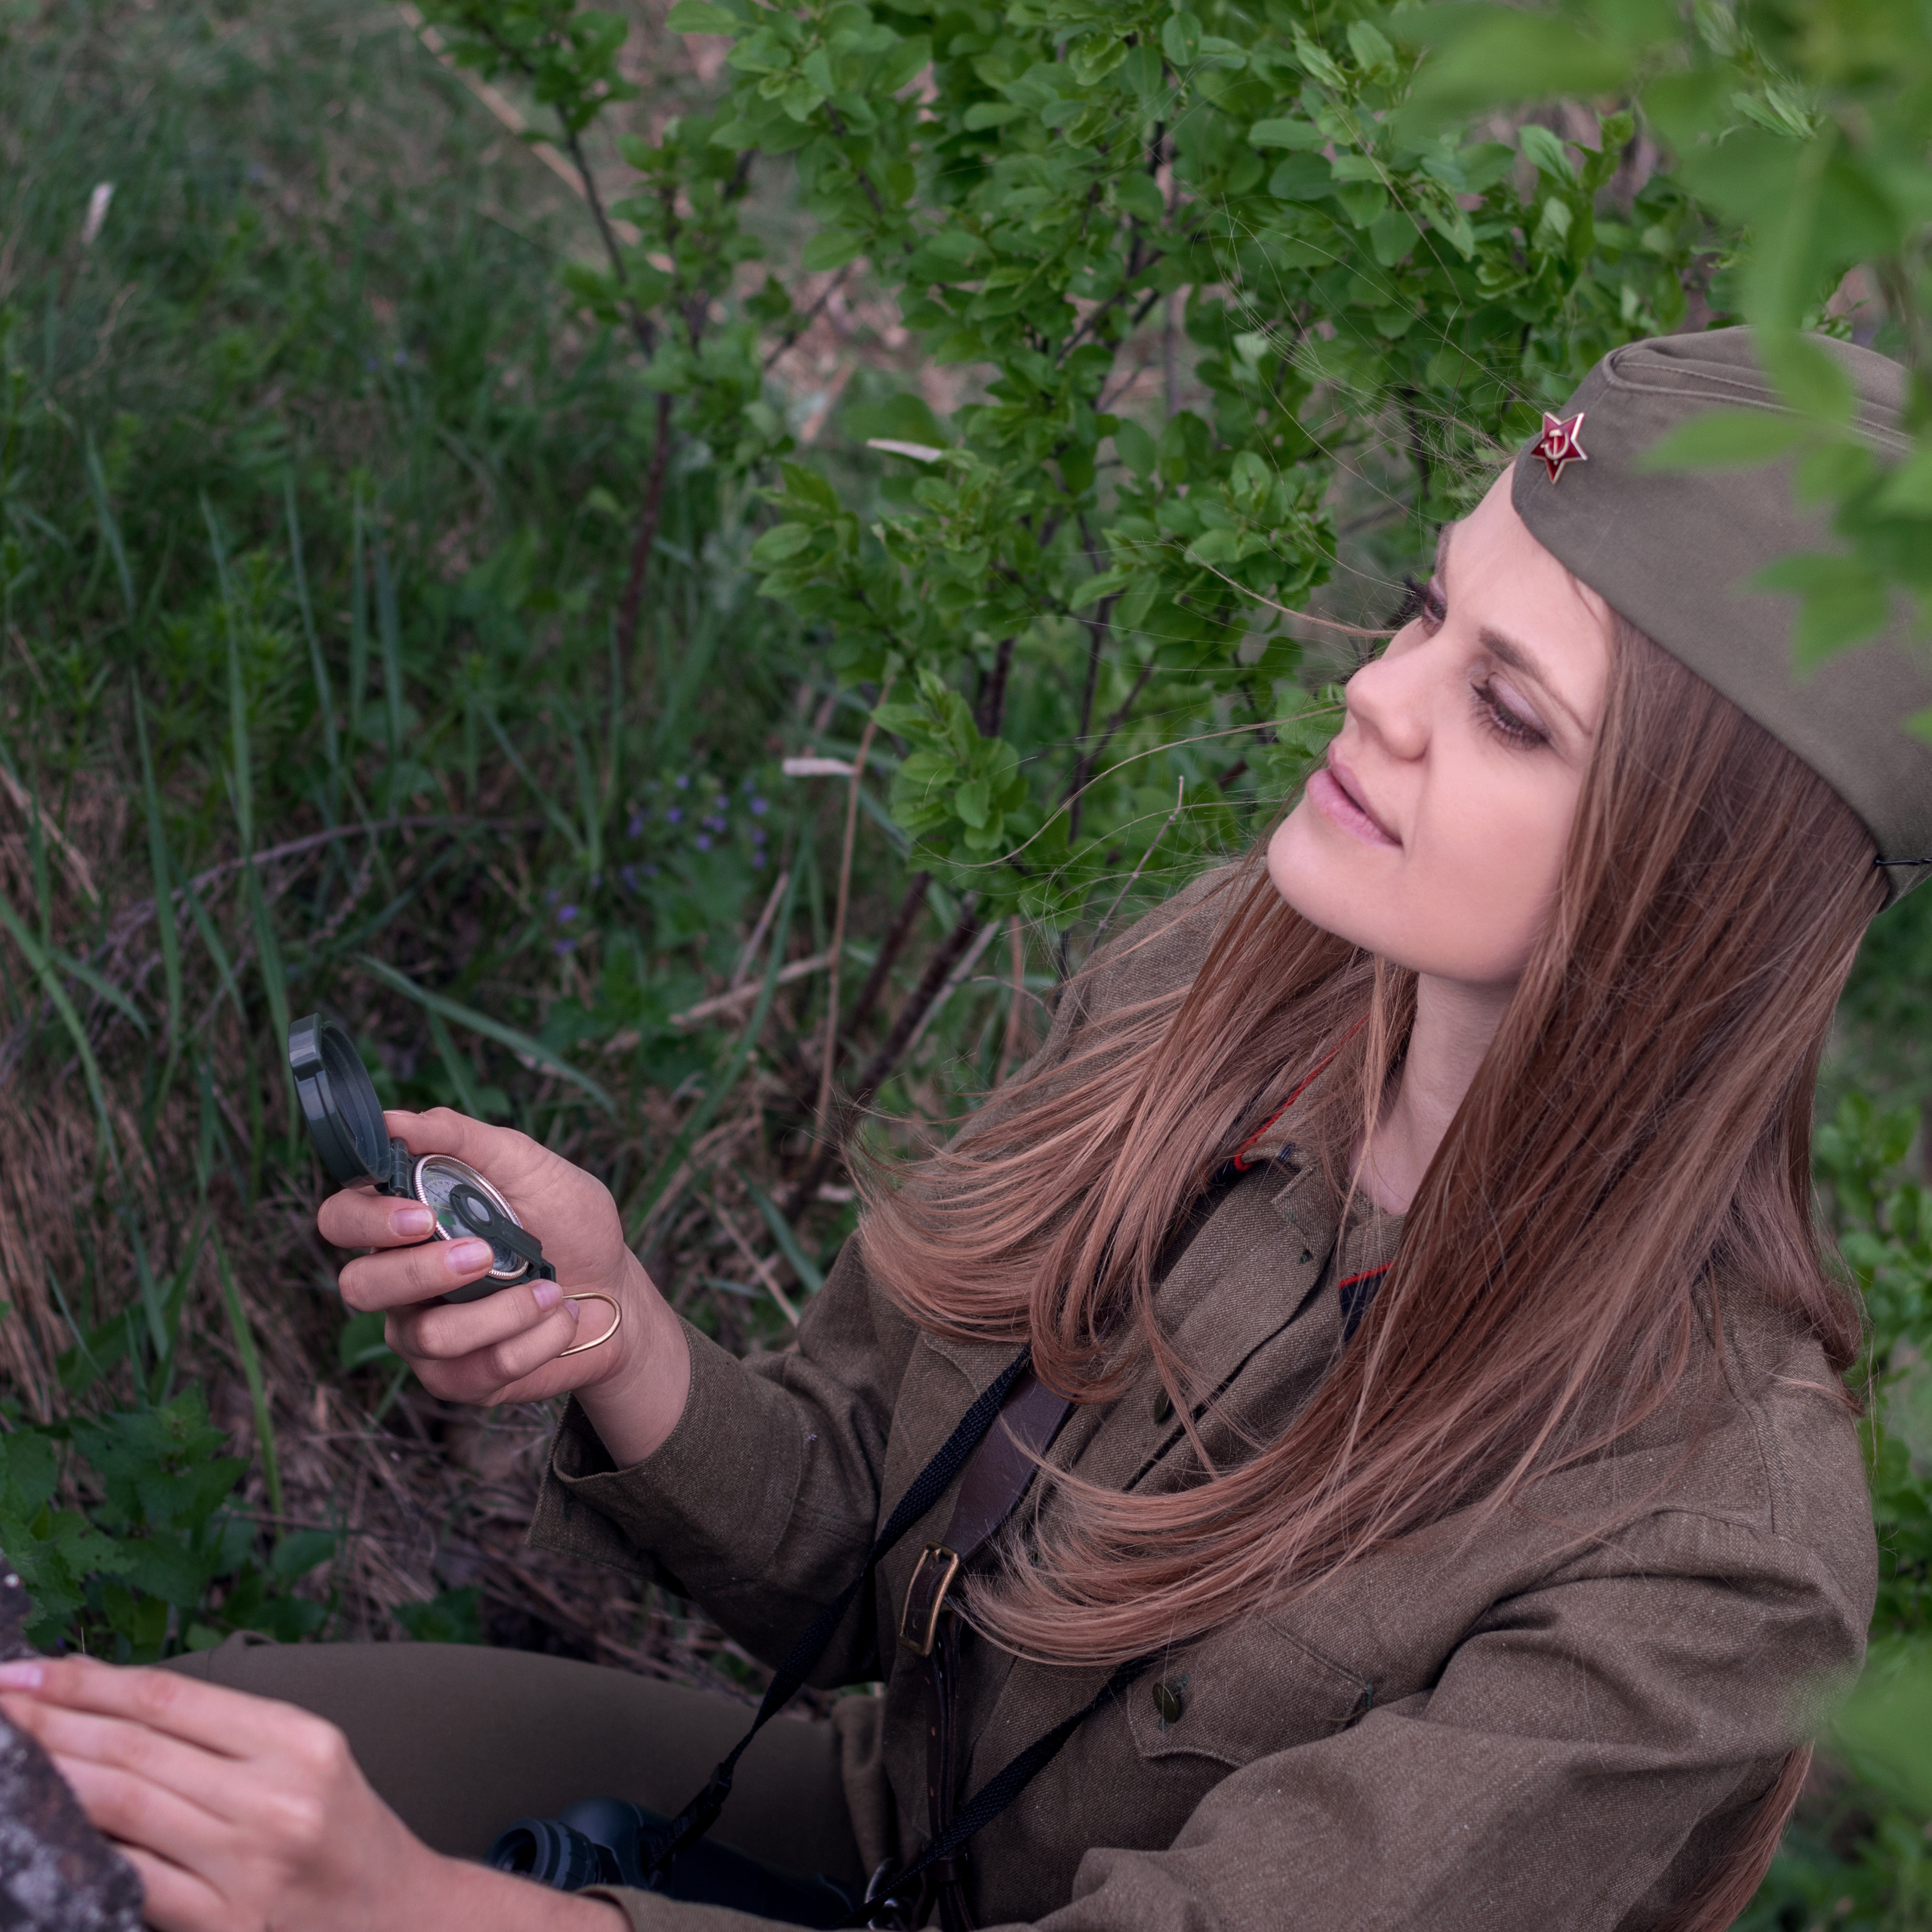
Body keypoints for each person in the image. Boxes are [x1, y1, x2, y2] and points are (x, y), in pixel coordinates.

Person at [2, 327, 1923, 1932]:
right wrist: (612, 1332)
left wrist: (427, 1913)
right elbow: (856, 1545)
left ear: (1700, 881)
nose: (1370, 690)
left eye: (1504, 707)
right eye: (1425, 608)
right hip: (862, 1838)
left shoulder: (1709, 1550)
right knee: (76, 1802)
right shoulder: (1218, 997)